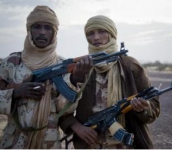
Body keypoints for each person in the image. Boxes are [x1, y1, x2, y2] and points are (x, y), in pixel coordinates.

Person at [59, 15, 160, 149]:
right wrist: (77, 127)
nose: (96, 37)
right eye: (90, 33)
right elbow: (61, 108)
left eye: (102, 31)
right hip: (89, 145)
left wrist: (142, 109)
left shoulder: (130, 65)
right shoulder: (81, 67)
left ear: (111, 34)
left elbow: (153, 110)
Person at [0, 6, 92, 149]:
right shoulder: (10, 63)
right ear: (29, 30)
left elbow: (65, 111)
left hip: (48, 143)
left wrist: (75, 79)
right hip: (14, 142)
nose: (42, 32)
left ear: (54, 33)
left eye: (48, 28)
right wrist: (16, 93)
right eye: (37, 27)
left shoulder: (63, 65)